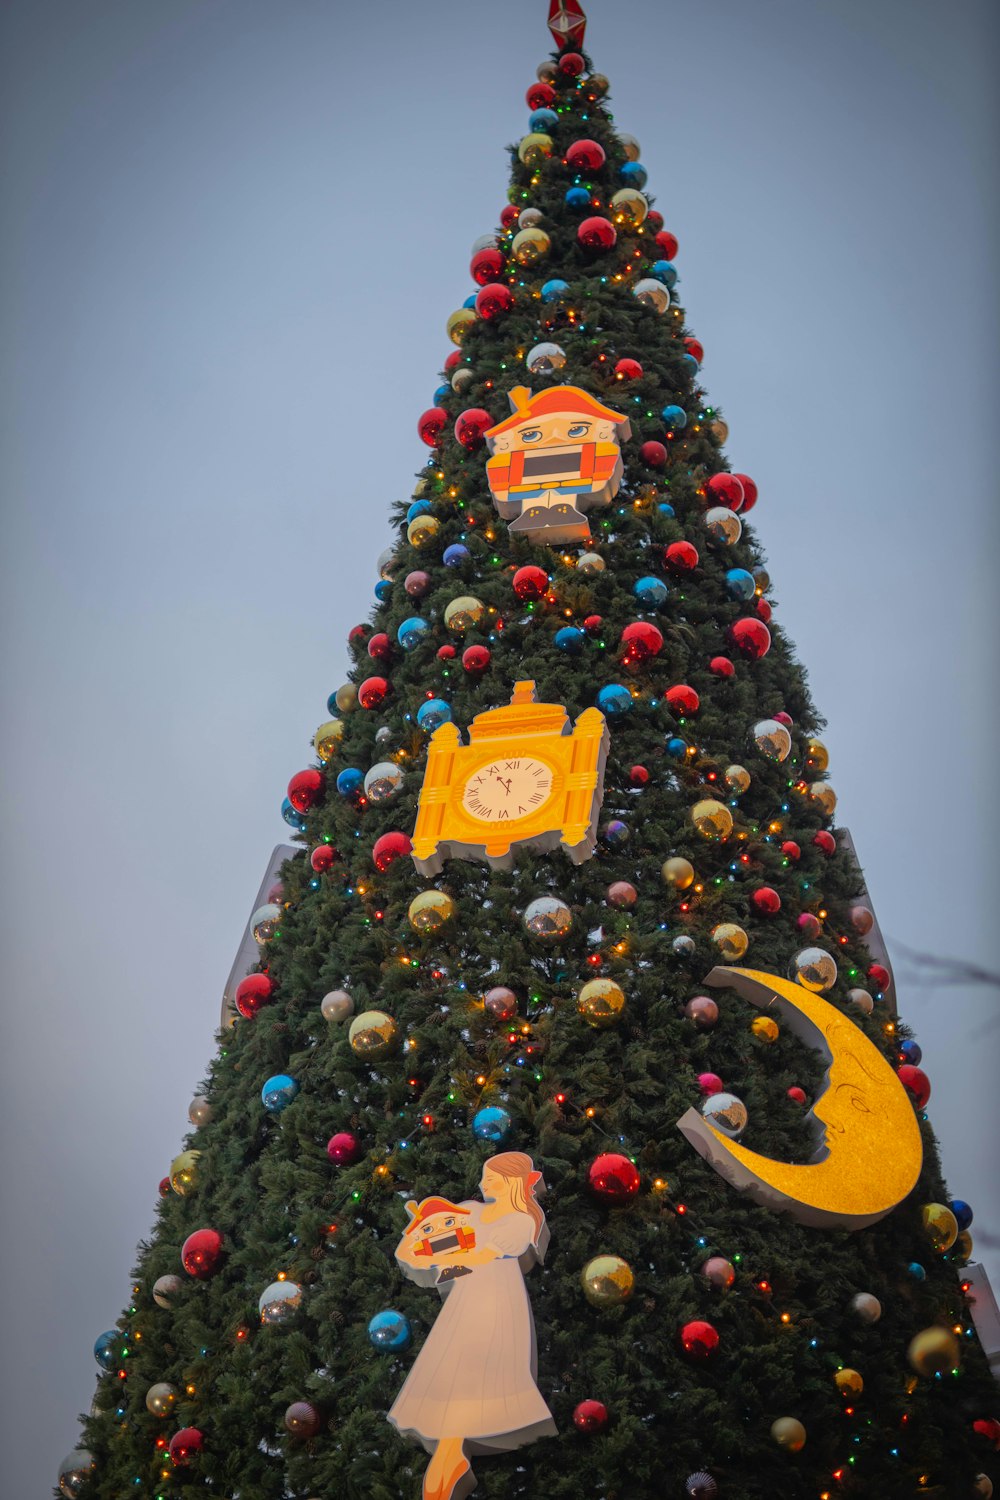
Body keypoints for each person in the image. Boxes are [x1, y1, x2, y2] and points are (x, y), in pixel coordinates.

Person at [389, 1151, 556, 1500]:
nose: (482, 1183)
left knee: (483, 1360)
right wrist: (428, 1245)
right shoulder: (471, 1211)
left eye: (491, 1178)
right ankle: (449, 1457)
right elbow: (419, 1245)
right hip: (464, 1294)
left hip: (496, 1293)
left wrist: (457, 1250)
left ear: (512, 1182)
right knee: (450, 1361)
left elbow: (488, 1251)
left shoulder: (520, 1218)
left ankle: (453, 1454)